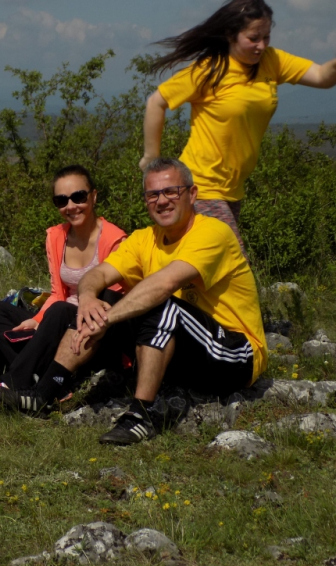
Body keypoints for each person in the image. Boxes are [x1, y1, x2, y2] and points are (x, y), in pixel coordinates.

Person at [14, 158, 266, 445]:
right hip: (180, 349)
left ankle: (141, 414)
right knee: (104, 299)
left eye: (171, 191)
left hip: (233, 355)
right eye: (153, 194)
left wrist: (107, 319)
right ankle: (45, 393)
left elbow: (165, 284)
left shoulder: (213, 233)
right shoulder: (144, 239)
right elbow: (97, 274)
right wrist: (87, 299)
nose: (162, 201)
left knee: (158, 302)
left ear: (192, 194)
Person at [140, 0, 336, 253]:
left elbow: (321, 76)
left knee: (206, 263)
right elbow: (156, 102)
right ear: (231, 35)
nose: (261, 45)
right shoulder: (210, 70)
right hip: (202, 184)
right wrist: (151, 159)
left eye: (266, 37)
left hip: (232, 190)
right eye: (253, 38)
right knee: (233, 259)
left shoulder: (271, 60)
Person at [0, 165, 129, 413]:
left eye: (78, 197)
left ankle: (13, 382)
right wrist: (36, 321)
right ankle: (49, 376)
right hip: (57, 319)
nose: (71, 206)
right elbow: (57, 292)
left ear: (94, 196)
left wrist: (50, 318)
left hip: (95, 330)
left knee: (60, 312)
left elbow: (113, 300)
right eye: (61, 200)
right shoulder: (56, 236)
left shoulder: (115, 240)